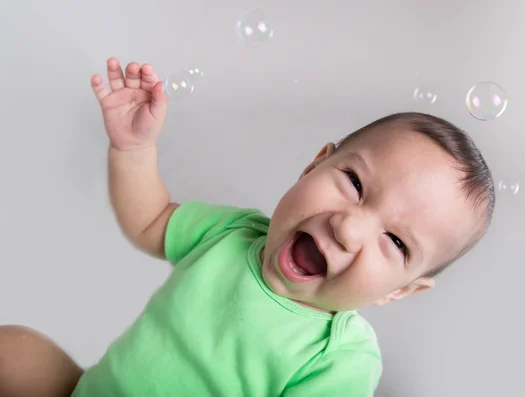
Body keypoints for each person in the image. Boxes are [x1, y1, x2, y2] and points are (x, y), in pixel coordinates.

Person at [0, 57, 495, 397]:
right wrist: (133, 150)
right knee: (13, 349)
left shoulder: (339, 357)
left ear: (402, 291)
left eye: (394, 241)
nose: (348, 228)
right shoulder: (234, 233)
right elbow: (149, 221)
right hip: (95, 389)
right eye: (353, 183)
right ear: (314, 165)